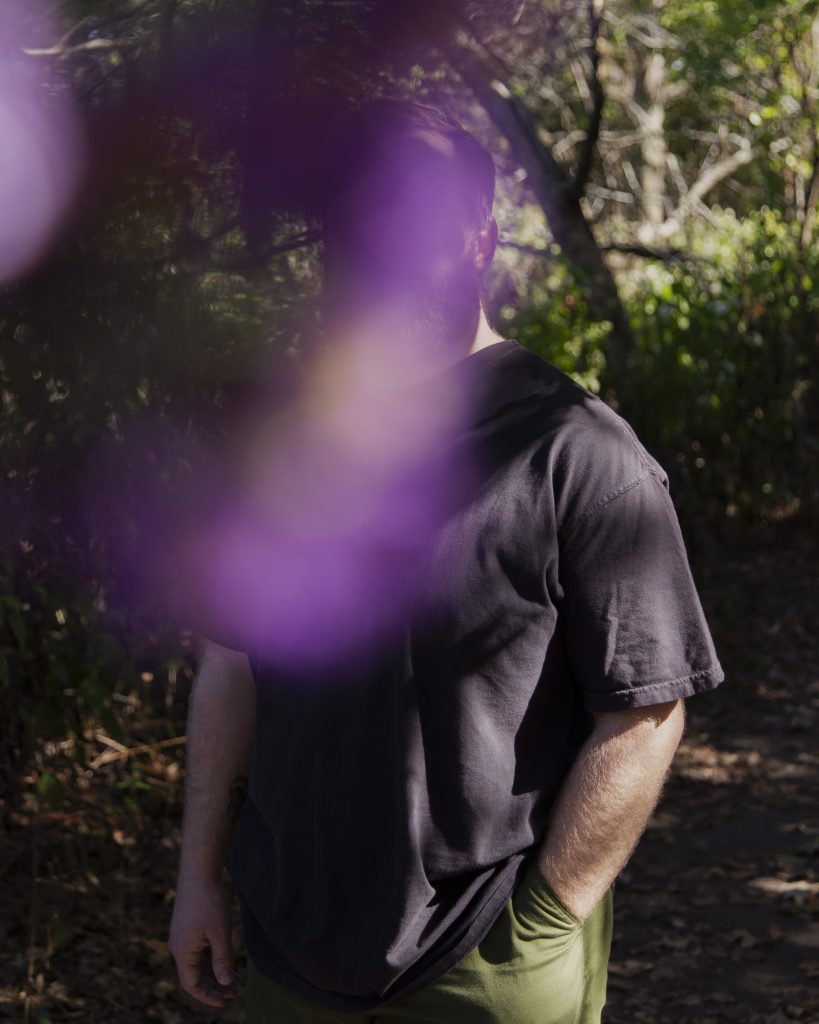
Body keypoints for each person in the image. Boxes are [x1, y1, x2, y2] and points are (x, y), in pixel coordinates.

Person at [167, 98, 725, 1023]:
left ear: (479, 241)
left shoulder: (578, 451)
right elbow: (232, 662)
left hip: (484, 964)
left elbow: (645, 711)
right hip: (282, 949)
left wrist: (545, 920)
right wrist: (197, 879)